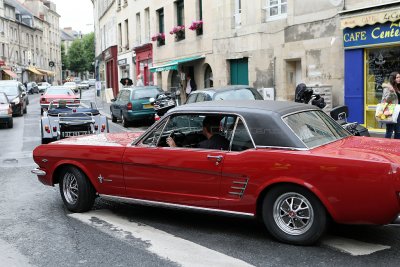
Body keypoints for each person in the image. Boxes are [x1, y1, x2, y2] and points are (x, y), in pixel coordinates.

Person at [381, 71, 400, 139]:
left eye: (399, 77)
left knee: (398, 131)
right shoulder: (388, 88)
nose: (399, 79)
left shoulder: (398, 87)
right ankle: (386, 146)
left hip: (398, 112)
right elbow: (385, 100)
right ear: (393, 78)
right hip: (391, 111)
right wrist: (391, 92)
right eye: (397, 77)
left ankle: (396, 146)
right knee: (389, 131)